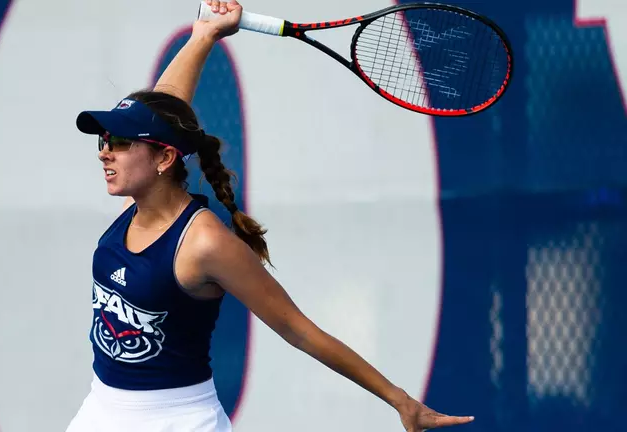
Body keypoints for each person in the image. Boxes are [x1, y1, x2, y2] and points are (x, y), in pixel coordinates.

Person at [66, 1, 475, 431]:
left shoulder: (204, 243)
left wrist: (399, 399)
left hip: (177, 420)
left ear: (164, 158)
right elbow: (168, 108)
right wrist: (205, 34)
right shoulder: (138, 203)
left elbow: (299, 330)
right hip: (100, 411)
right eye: (103, 140)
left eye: (120, 143)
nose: (105, 153)